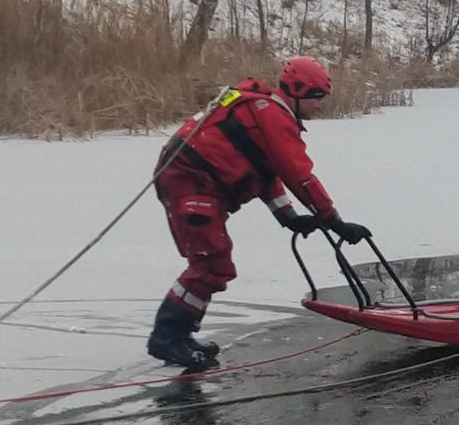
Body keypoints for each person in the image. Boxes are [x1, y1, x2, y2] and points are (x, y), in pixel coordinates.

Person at [148, 57, 370, 371]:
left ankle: (178, 335)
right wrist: (335, 222)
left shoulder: (263, 111)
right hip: (190, 183)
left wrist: (288, 216)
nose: (319, 105)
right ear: (297, 91)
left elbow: (267, 172)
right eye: (317, 97)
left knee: (213, 265)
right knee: (211, 264)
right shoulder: (273, 116)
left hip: (195, 182)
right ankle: (168, 337)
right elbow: (299, 175)